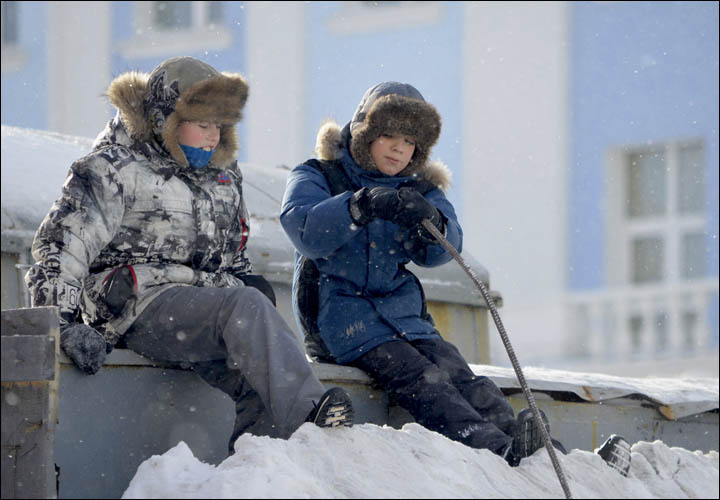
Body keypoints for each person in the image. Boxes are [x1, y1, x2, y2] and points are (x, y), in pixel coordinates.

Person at [280, 81, 632, 475]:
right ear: (364, 134)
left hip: (405, 319)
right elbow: (305, 229)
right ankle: (500, 452)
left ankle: (556, 460)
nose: (399, 148)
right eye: (388, 136)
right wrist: (361, 205)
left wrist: (430, 224)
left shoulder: (417, 188)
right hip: (343, 320)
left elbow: (445, 249)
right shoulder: (320, 175)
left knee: (464, 378)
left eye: (410, 141)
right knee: (424, 381)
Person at [24, 56, 354, 456]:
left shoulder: (224, 177)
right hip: (135, 305)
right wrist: (62, 326)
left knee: (263, 384)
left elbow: (231, 254)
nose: (214, 136)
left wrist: (244, 277)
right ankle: (311, 419)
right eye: (202, 124)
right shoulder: (114, 169)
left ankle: (264, 475)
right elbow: (61, 247)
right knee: (244, 309)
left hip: (200, 311)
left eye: (219, 126)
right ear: (167, 121)